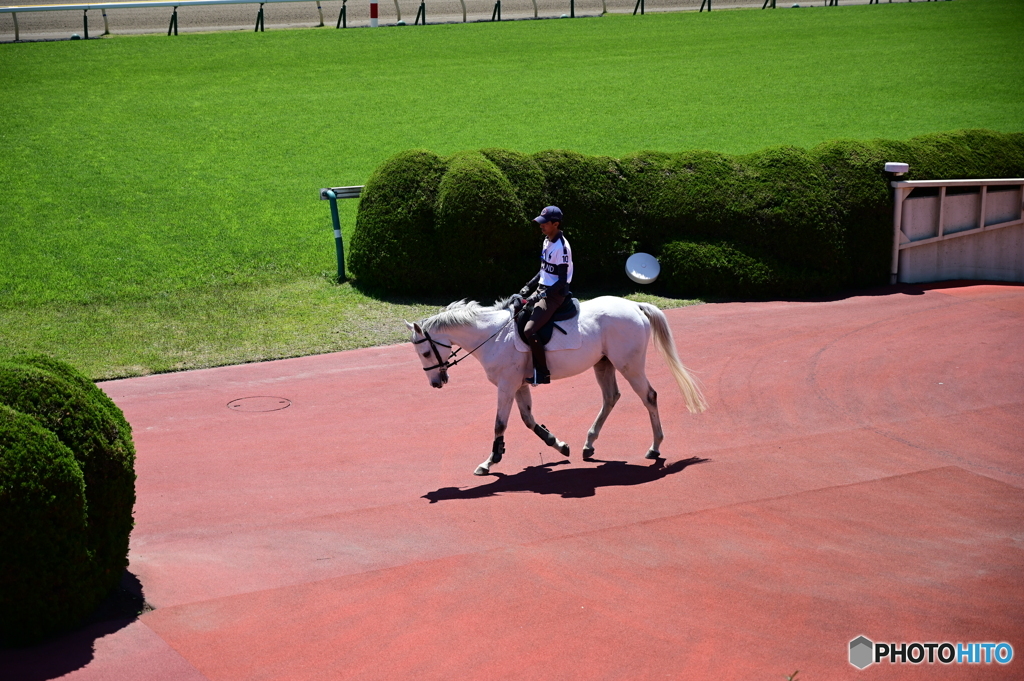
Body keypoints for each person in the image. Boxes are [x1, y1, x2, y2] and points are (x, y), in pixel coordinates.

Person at [519, 206, 573, 385]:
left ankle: (542, 373)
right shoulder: (546, 241)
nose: (541, 226)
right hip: (542, 289)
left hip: (554, 295)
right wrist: (528, 286)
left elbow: (562, 282)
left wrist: (540, 296)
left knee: (529, 330)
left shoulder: (561, 248)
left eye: (544, 223)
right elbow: (544, 270)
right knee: (517, 309)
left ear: (555, 224)